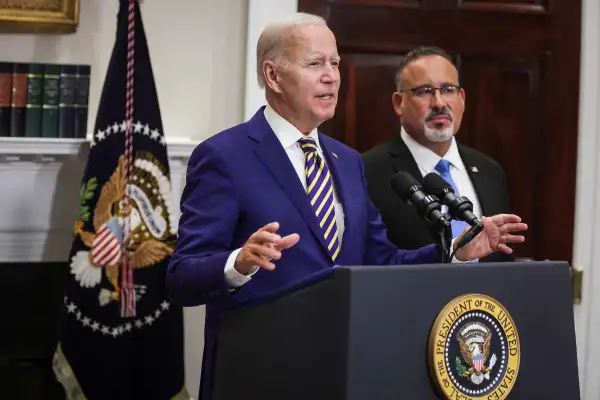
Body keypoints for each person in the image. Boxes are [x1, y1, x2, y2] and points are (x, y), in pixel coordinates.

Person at [166, 14, 527, 400]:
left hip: (342, 374)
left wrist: (455, 251)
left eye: (335, 63)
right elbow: (180, 277)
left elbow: (380, 260)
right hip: (259, 375)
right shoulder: (225, 156)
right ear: (273, 76)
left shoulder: (347, 161)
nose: (332, 76)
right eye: (315, 64)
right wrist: (237, 263)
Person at [362, 46, 515, 262]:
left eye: (448, 89)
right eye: (424, 91)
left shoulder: (489, 171)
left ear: (462, 98)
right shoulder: (368, 171)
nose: (439, 103)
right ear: (399, 103)